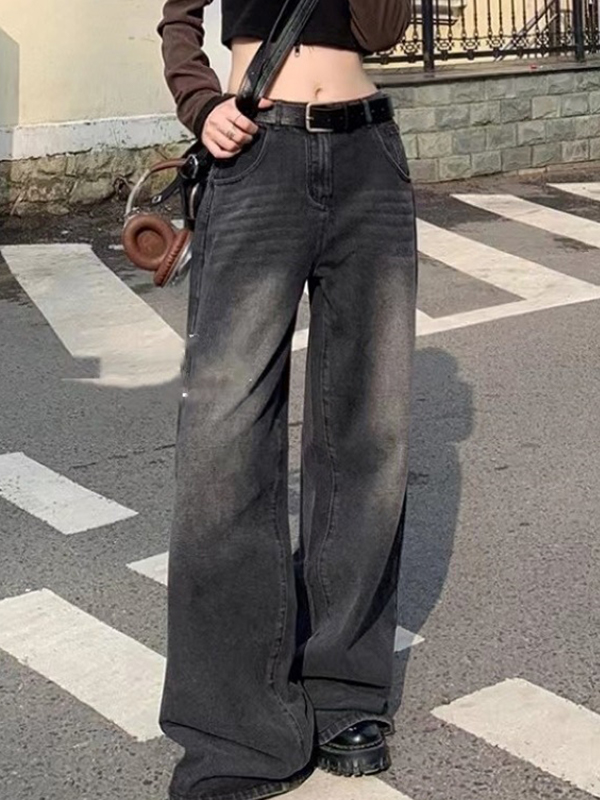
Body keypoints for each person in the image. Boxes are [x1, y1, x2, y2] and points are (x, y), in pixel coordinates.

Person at [156, 2, 417, 799]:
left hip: (368, 155)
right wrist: (201, 104)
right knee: (224, 444)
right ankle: (235, 728)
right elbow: (178, 20)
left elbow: (384, 31)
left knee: (367, 435)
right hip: (257, 154)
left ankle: (343, 689)